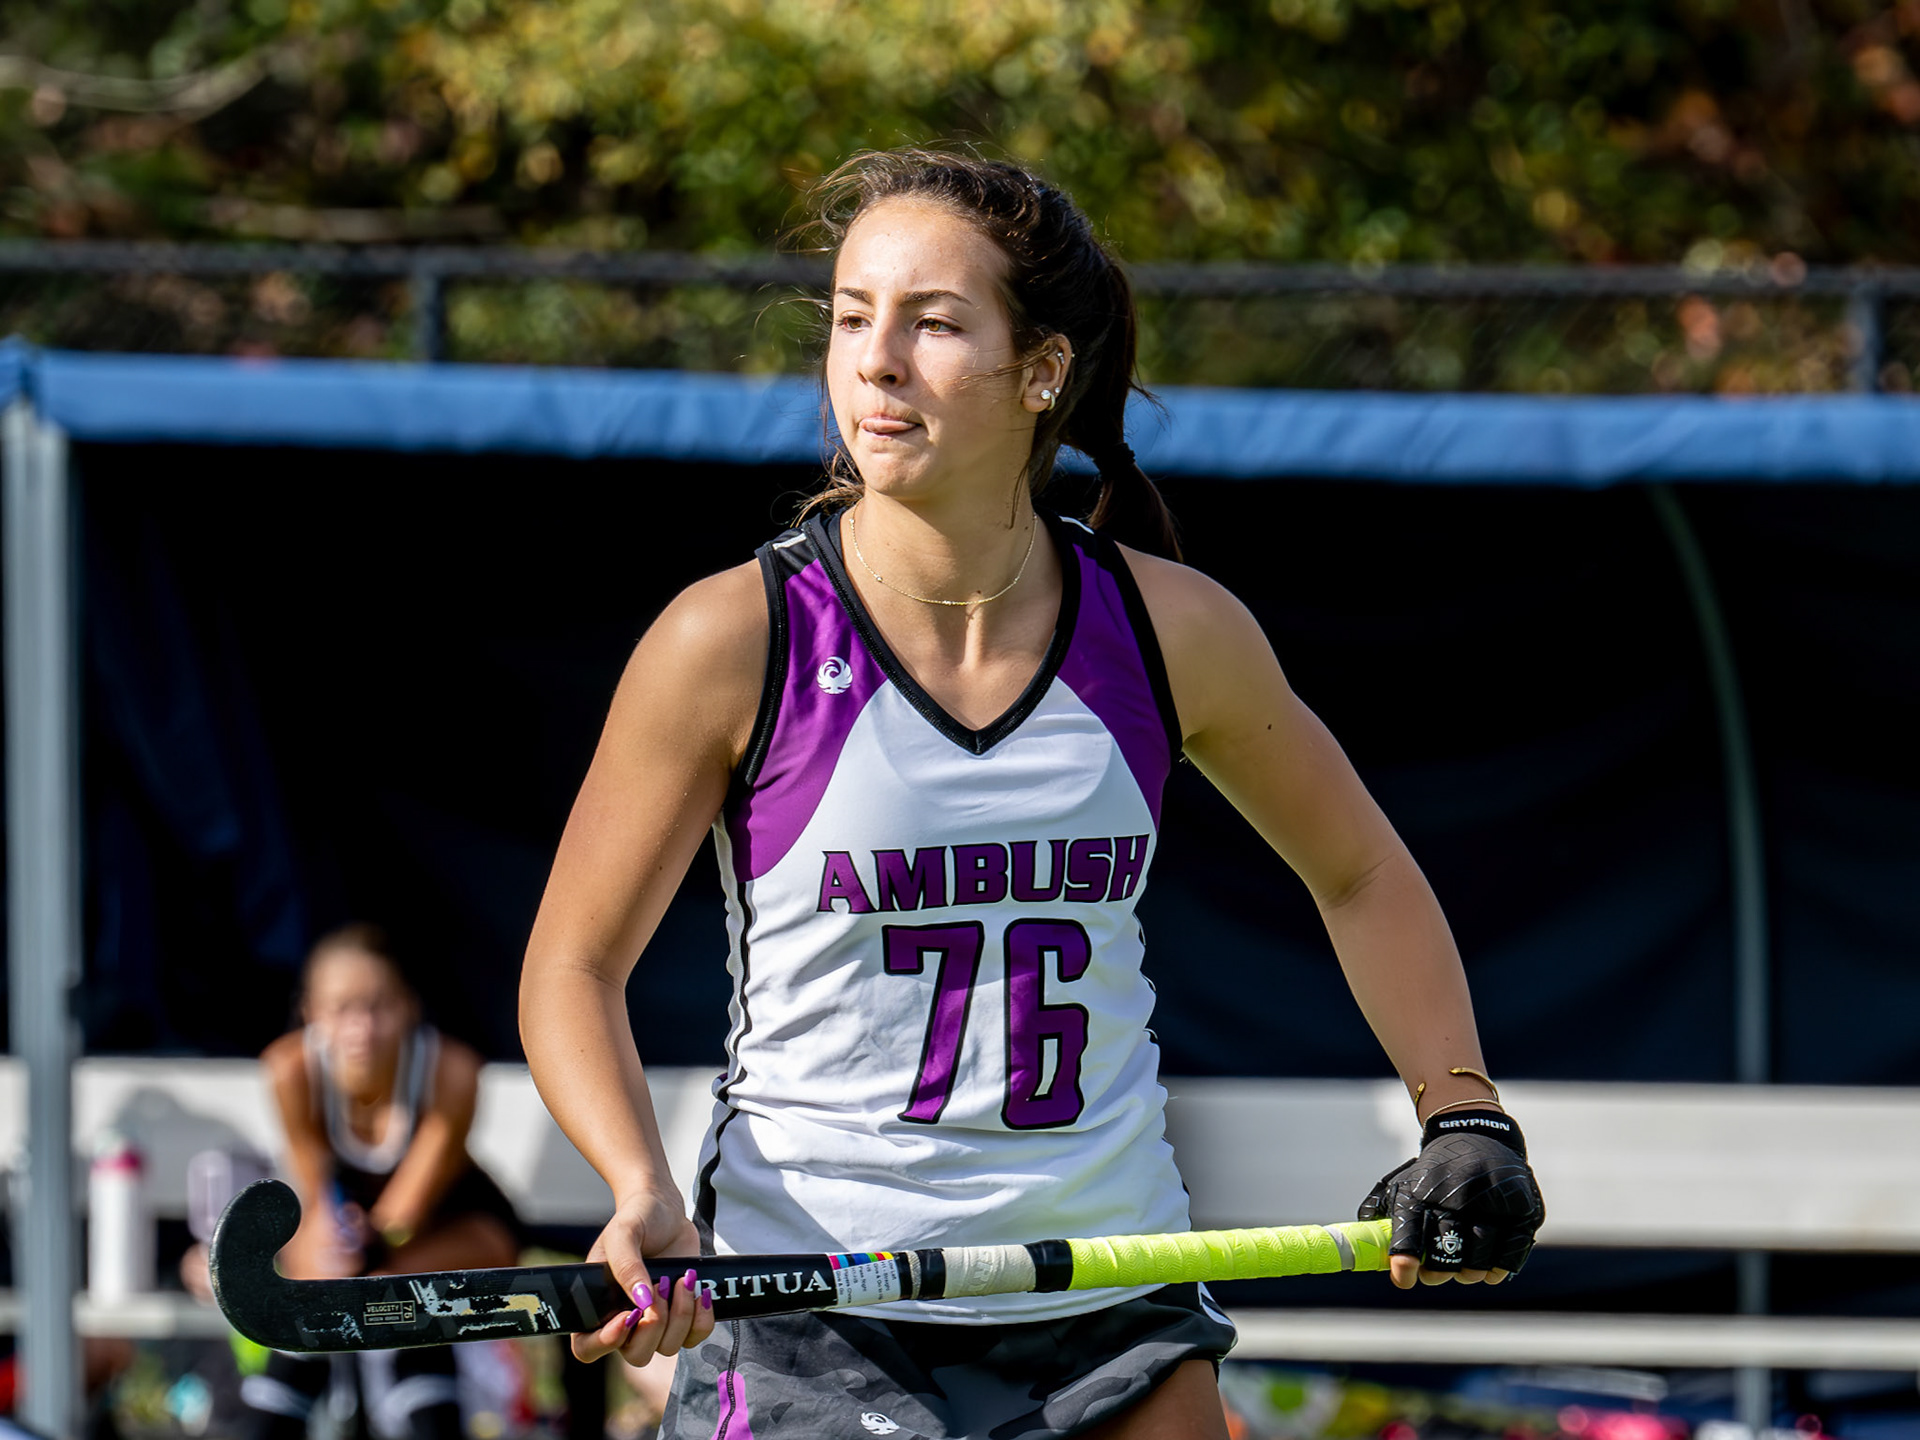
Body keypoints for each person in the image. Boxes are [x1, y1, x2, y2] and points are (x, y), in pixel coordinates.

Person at [519, 148, 1545, 1440]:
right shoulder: (735, 639)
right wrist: (640, 1187)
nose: (876, 362)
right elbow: (573, 964)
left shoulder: (1171, 632)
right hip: (818, 1316)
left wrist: (1464, 1111)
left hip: (1110, 1301)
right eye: (851, 318)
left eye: (934, 323)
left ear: (1042, 369)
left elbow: (1362, 872)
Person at [240, 924, 521, 1440]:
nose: (361, 1028)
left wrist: (355, 1250)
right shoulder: (288, 1069)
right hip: (353, 1242)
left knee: (393, 1290)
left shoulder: (452, 1072)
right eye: (342, 1009)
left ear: (409, 1006)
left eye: (378, 1006)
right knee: (315, 1281)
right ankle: (294, 1404)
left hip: (442, 1232)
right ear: (311, 1013)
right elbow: (315, 1200)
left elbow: (404, 1214)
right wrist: (331, 1242)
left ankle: (398, 1397)